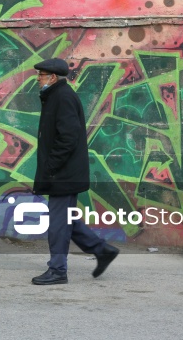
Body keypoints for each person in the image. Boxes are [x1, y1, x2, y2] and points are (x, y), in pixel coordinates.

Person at [31, 57, 119, 285]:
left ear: (52, 77)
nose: (38, 79)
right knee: (65, 219)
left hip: (63, 174)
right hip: (63, 172)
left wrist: (51, 166)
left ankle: (58, 270)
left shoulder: (62, 97)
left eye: (41, 75)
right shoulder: (55, 96)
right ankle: (102, 250)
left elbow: (68, 137)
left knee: (58, 223)